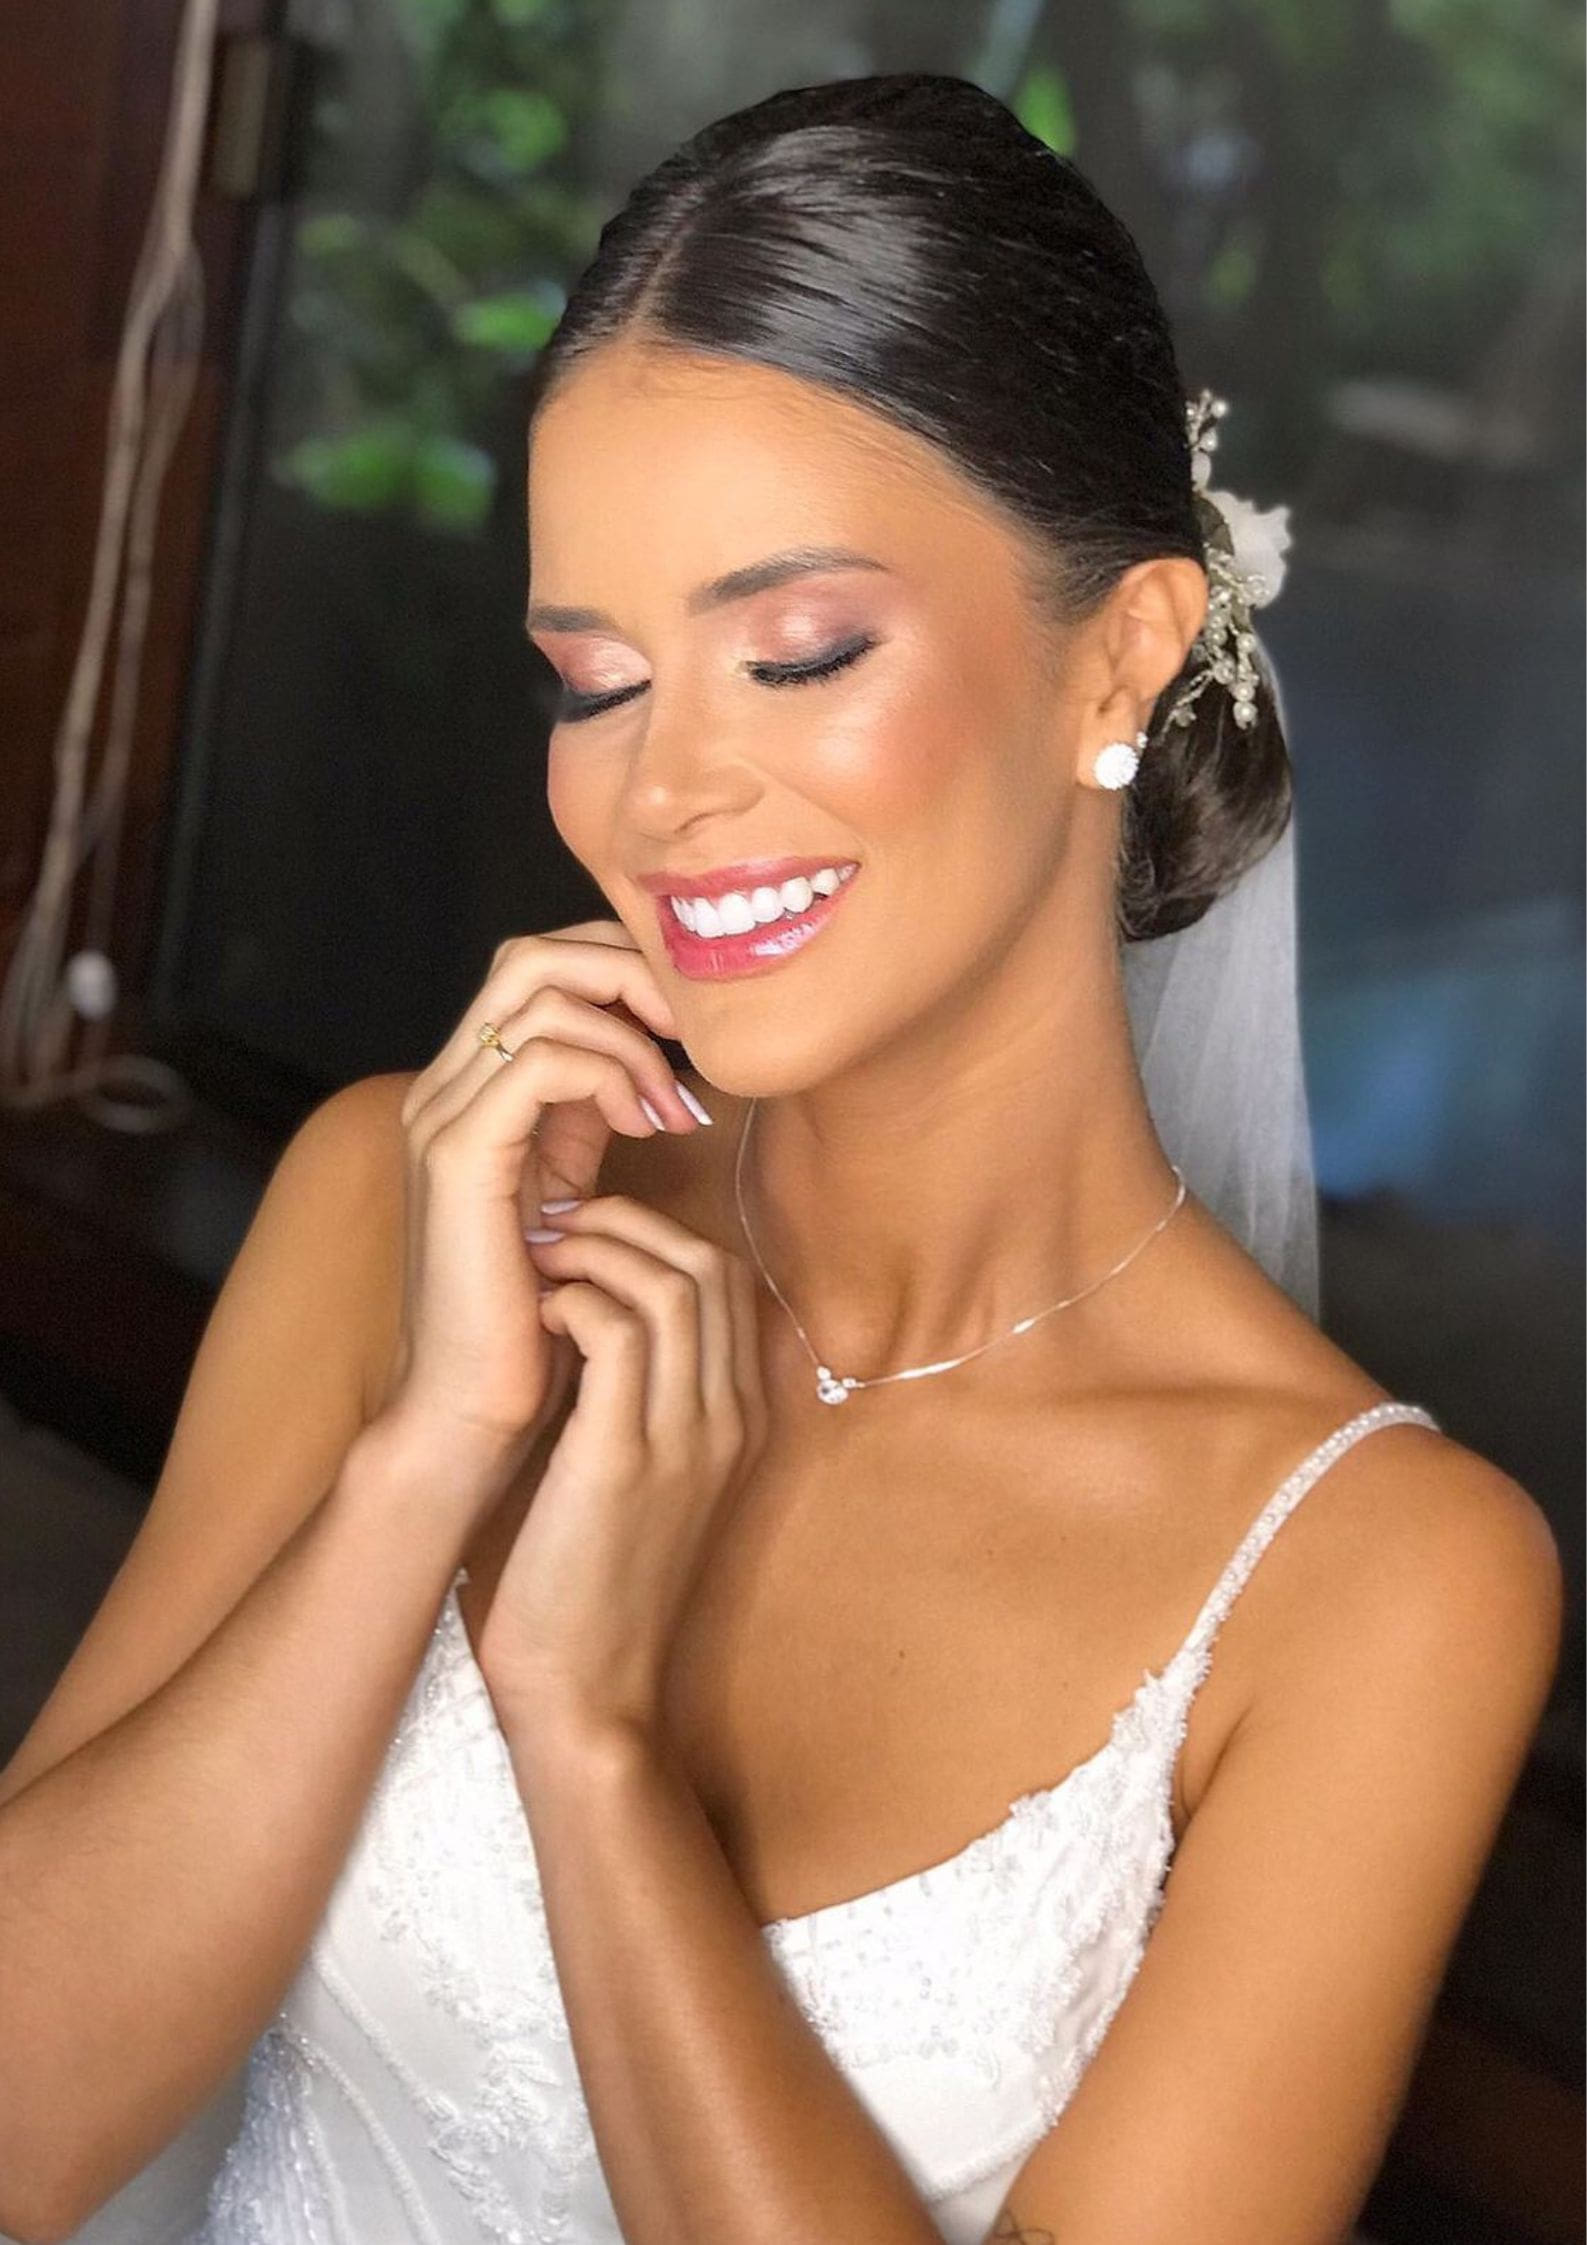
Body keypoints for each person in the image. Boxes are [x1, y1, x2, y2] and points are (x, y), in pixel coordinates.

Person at [0, 73, 1562, 2245]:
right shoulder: (407, 1203)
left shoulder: (1382, 1580)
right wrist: (425, 1464)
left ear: (1117, 652)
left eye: (796, 652)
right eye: (593, 682)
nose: (659, 793)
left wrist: (590, 1739)